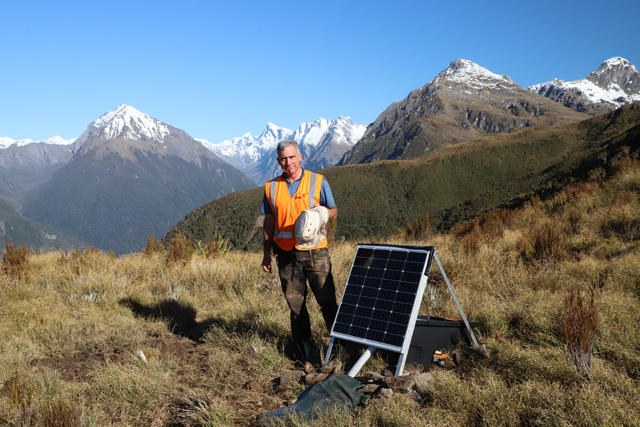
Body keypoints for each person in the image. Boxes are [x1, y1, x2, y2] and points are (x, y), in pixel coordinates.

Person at [261, 139, 339, 360]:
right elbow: (269, 222)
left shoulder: (318, 181)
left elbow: (333, 210)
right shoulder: (271, 187)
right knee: (296, 305)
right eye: (283, 159)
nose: (288, 162)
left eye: (292, 157)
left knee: (328, 303)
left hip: (316, 252)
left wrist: (323, 213)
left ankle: (343, 348)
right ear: (278, 161)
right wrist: (266, 253)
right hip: (286, 254)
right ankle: (304, 353)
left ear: (300, 157)